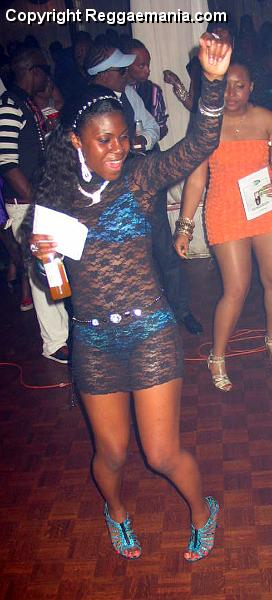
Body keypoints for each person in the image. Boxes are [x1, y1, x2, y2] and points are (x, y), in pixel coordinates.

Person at [28, 33, 231, 561]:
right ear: (77, 141)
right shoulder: (56, 198)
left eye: (122, 137)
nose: (117, 148)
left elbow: (198, 145)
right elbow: (55, 286)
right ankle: (116, 511)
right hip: (94, 342)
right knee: (112, 454)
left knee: (161, 453)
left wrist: (211, 83)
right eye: (104, 140)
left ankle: (202, 511)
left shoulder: (139, 177)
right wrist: (43, 256)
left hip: (150, 332)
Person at [175, 59, 272, 392]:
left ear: (251, 87)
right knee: (236, 289)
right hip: (225, 208)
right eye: (225, 85)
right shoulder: (207, 124)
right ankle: (217, 355)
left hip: (266, 204)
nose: (232, 93)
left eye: (239, 86)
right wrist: (184, 227)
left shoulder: (266, 119)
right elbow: (196, 180)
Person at [123, 38, 203, 335]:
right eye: (140, 64)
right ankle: (146, 316)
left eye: (147, 63)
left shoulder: (148, 91)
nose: (146, 69)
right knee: (133, 251)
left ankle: (181, 310)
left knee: (163, 245)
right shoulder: (110, 95)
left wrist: (142, 139)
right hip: (121, 179)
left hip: (149, 169)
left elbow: (158, 127)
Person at [0, 47, 69, 362]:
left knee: (52, 268)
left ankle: (63, 334)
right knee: (42, 273)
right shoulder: (9, 106)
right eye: (44, 69)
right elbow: (6, 162)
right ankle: (54, 343)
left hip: (37, 201)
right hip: (26, 204)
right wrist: (36, 198)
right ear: (32, 69)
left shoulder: (24, 103)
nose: (47, 77)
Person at [84, 44, 160, 152]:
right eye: (122, 70)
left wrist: (144, 139)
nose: (127, 73)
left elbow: (152, 126)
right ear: (103, 75)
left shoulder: (128, 92)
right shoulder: (87, 105)